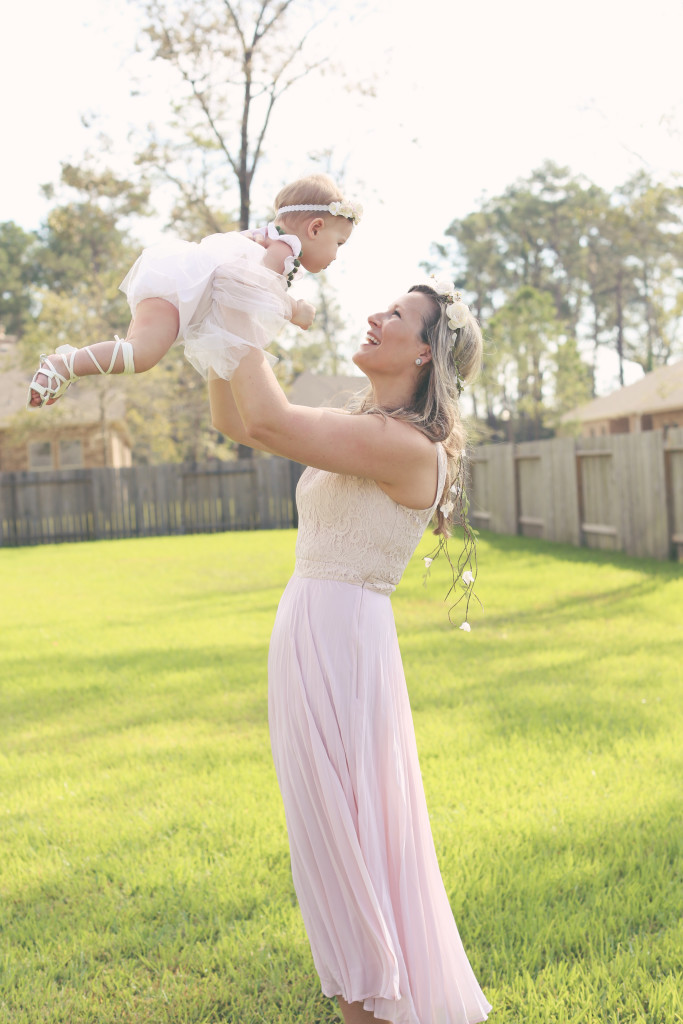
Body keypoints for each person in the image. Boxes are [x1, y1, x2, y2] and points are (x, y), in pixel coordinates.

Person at [209, 272, 492, 1024]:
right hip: (318, 631)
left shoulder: (403, 445)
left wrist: (238, 308)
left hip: (340, 645)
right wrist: (212, 336)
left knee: (345, 843)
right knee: (335, 837)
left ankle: (372, 1003)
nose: (374, 316)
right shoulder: (374, 430)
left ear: (426, 351)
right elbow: (242, 422)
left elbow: (267, 421)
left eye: (395, 314)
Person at [26, 174, 361, 408]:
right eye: (339, 243)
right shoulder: (284, 248)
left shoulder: (270, 237)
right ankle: (64, 364)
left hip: (176, 287)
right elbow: (256, 289)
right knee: (140, 355)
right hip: (179, 293)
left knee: (137, 354)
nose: (336, 254)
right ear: (315, 228)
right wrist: (295, 309)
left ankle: (67, 368)